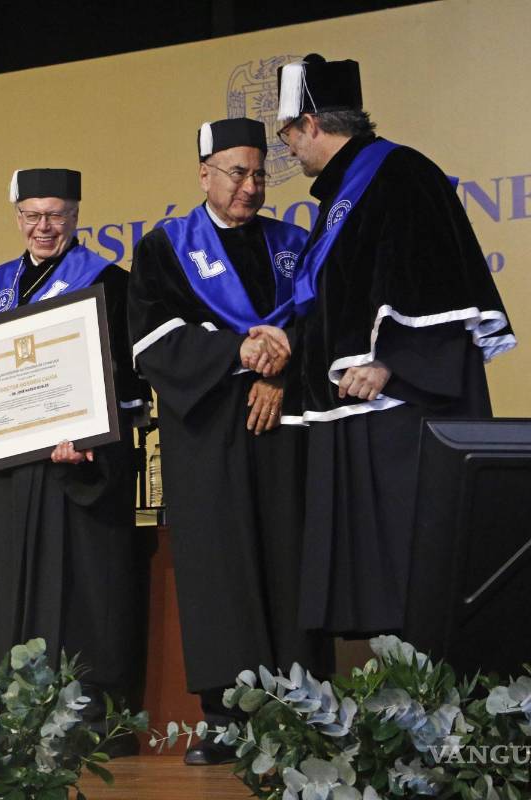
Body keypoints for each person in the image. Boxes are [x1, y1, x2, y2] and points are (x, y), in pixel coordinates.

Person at [274, 54, 516, 636]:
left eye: (287, 135)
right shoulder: (341, 194)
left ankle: (431, 688)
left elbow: (434, 277)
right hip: (364, 413)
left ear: (311, 123)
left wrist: (390, 361)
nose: (289, 149)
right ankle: (399, 688)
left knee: (417, 574)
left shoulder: (401, 173)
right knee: (382, 590)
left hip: (403, 410)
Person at [128, 119, 332, 765]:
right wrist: (238, 355)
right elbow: (151, 340)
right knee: (219, 570)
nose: (250, 186)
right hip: (208, 432)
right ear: (204, 175)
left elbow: (323, 323)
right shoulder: (164, 248)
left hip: (284, 428)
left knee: (291, 562)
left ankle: (303, 708)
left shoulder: (295, 243)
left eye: (260, 174)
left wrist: (282, 373)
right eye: (237, 173)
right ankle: (225, 716)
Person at [0, 168, 149, 745]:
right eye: (32, 215)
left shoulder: (111, 282)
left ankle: (89, 721)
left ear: (76, 215)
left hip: (77, 471)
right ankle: (12, 718)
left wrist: (93, 437)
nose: (43, 227)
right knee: (6, 589)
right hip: (8, 475)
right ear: (17, 217)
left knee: (83, 590)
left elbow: (130, 381)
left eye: (55, 215)